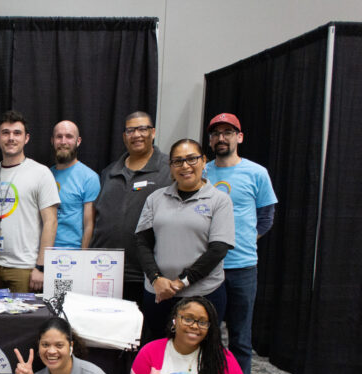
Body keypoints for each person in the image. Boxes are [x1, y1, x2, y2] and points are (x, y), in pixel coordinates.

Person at [205, 113, 278, 374]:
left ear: (240, 137)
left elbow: (266, 218)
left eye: (228, 132)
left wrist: (244, 241)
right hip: (208, 269)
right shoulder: (202, 172)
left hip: (243, 267)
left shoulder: (257, 173)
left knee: (240, 340)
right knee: (206, 337)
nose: (222, 138)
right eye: (216, 133)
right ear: (210, 140)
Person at [135, 139, 234, 341]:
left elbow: (218, 249)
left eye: (192, 159)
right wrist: (156, 279)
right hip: (158, 293)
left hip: (203, 294)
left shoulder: (219, 200)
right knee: (158, 350)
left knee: (200, 355)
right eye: (178, 161)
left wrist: (182, 282)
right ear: (171, 166)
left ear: (204, 161)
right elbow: (142, 242)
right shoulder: (155, 199)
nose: (185, 166)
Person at [0, 110, 60, 293]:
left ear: (26, 138)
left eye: (17, 133)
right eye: (6, 133)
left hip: (25, 269)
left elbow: (50, 222)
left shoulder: (41, 173)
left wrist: (41, 266)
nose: (11, 138)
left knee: (23, 321)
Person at [91, 111, 172, 305]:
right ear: (124, 136)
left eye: (142, 129)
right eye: (130, 130)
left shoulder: (169, 169)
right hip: (105, 272)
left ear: (153, 132)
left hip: (146, 274)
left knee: (143, 333)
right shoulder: (109, 172)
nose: (136, 135)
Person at [49, 120, 100, 249]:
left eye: (69, 136)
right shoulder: (46, 175)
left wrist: (82, 260)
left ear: (78, 141)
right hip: (44, 252)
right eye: (59, 137)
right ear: (52, 141)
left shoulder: (89, 178)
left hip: (72, 255)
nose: (63, 141)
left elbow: (90, 225)